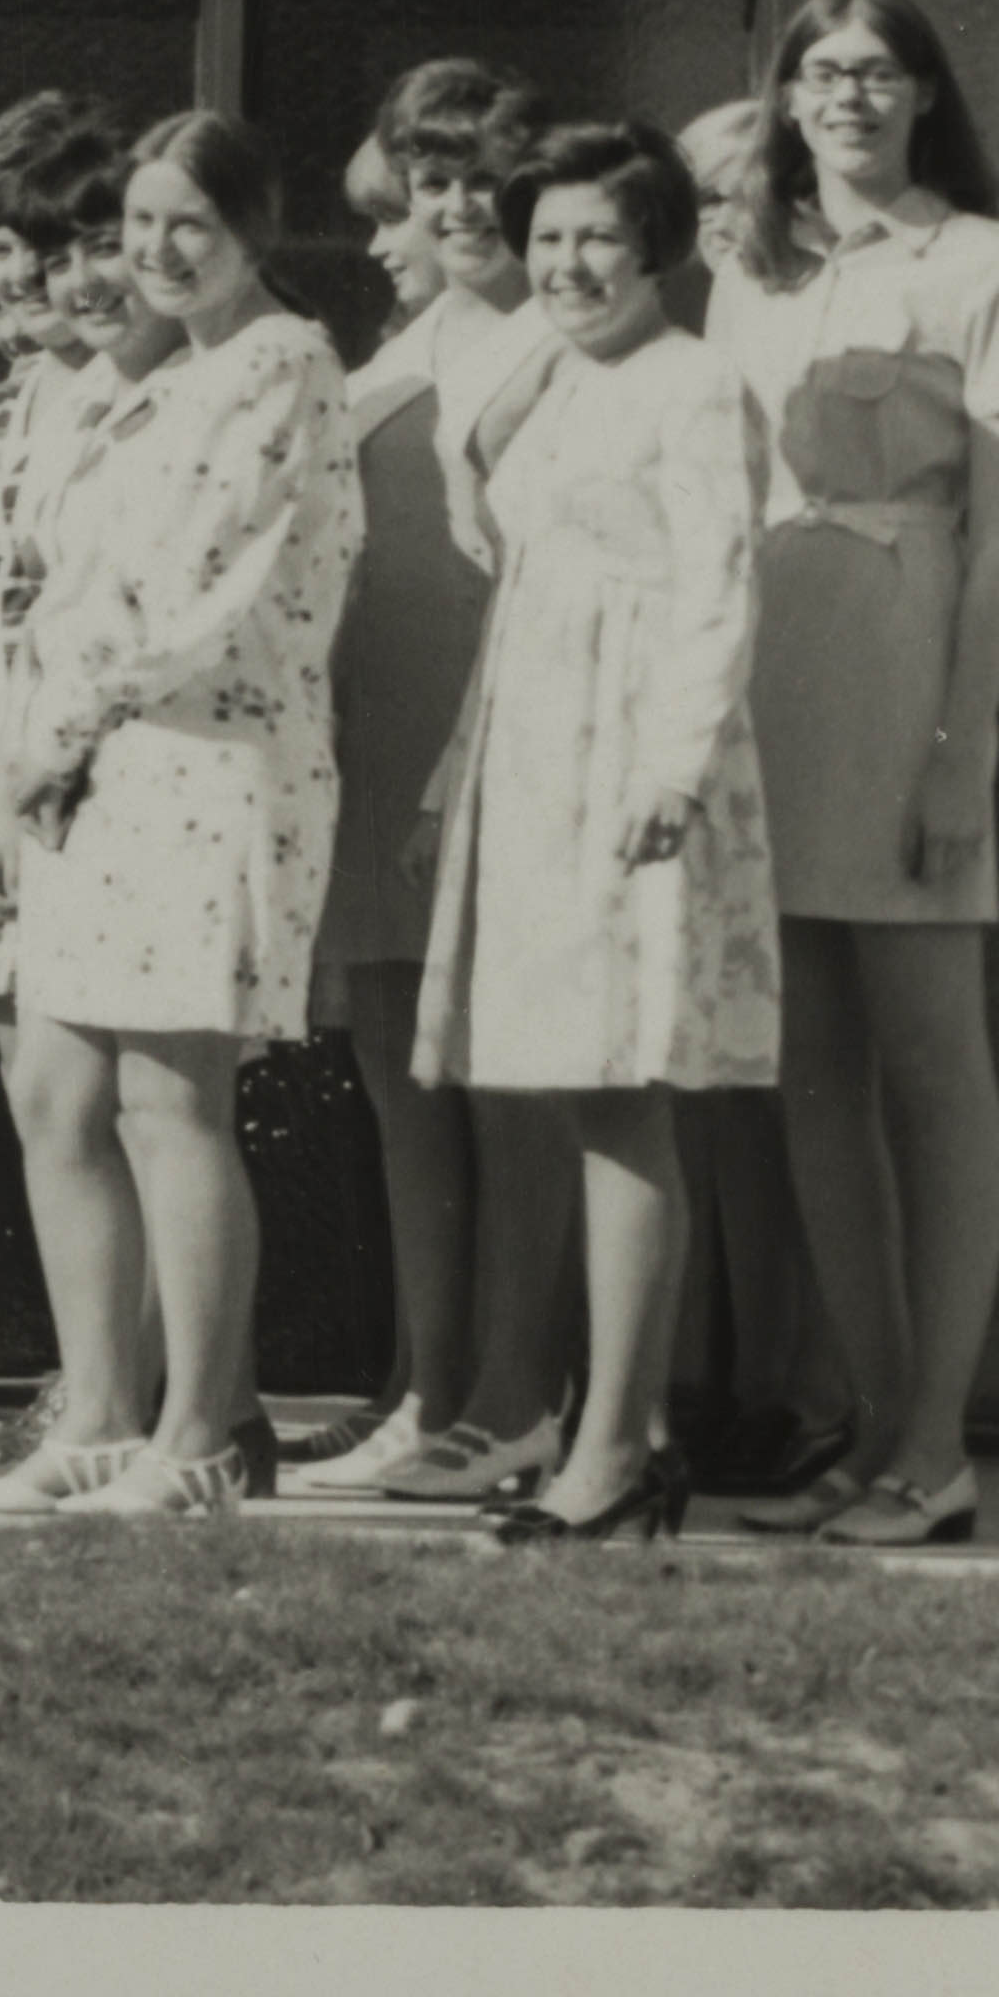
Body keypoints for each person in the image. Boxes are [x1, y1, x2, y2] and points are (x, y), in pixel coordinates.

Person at [0, 111, 354, 1521]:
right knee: (61, 1095)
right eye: (139, 226)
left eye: (191, 223)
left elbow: (200, 593)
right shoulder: (149, 383)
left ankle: (203, 1437)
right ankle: (103, 1415)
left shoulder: (281, 366)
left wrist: (54, 740)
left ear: (254, 229)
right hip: (92, 771)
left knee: (170, 1101)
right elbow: (70, 592)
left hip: (203, 760)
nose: (159, 252)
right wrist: (34, 755)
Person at [726, 0, 999, 1553]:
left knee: (933, 1065)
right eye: (820, 70)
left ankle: (939, 1447)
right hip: (762, 678)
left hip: (907, 662)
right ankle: (868, 1429)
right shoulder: (749, 268)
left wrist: (960, 749)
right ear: (786, 99)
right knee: (809, 1077)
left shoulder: (981, 264)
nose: (847, 95)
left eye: (877, 70)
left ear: (925, 95)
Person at [415, 116, 782, 1546]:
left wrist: (674, 769)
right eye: (549, 236)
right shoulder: (549, 377)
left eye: (600, 238)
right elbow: (517, 573)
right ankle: (611, 1425)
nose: (569, 263)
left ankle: (619, 1447)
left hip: (634, 755)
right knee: (575, 1083)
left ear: (658, 249)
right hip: (537, 747)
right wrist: (460, 774)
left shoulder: (695, 384)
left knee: (626, 1090)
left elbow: (720, 589)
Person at [287, 61, 571, 1508]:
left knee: (509, 1084)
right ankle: (429, 1384)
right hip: (376, 739)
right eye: (435, 179)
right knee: (402, 1081)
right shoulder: (401, 345)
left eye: (480, 179)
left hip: (491, 746)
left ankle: (518, 1396)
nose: (456, 206)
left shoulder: (556, 345)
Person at [0, 90, 157, 1480]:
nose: (27, 305)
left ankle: (129, 1390)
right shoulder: (9, 408)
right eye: (3, 281)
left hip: (80, 767)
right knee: (36, 1090)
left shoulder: (128, 393)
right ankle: (91, 1380)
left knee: (100, 1097)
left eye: (49, 268)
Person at [660, 93, 858, 1500]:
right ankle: (727, 1376)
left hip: (820, 676)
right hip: (721, 700)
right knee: (717, 1069)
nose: (724, 223)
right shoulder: (713, 310)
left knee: (808, 1067)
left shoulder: (833, 306)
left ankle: (810, 1383)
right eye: (703, 199)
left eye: (742, 194)